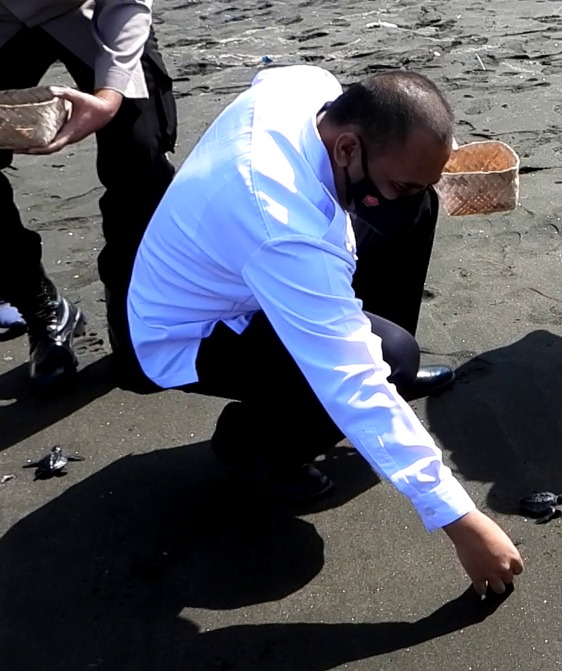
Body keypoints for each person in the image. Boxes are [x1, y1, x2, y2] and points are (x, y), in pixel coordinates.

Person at [121, 64, 523, 597]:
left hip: (244, 268)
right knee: (386, 363)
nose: (402, 193)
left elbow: (273, 77)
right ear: (346, 149)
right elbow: (352, 380)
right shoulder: (282, 225)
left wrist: (416, 174)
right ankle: (253, 445)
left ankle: (381, 346)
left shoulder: (311, 89)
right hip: (190, 331)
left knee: (419, 202)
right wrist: (459, 518)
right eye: (397, 178)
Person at [0, 0, 176, 390]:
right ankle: (41, 307)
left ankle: (136, 314)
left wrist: (109, 97)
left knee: (140, 153)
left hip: (96, 12)